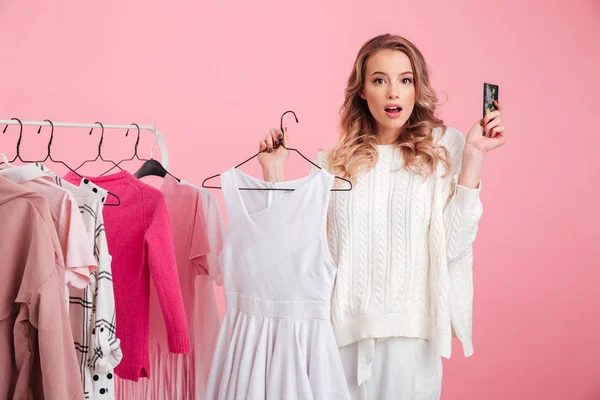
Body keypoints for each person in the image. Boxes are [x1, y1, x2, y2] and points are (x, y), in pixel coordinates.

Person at [257, 33, 506, 399]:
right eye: (379, 80)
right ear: (362, 91)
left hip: (411, 346)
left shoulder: (444, 149)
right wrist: (273, 173)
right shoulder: (331, 163)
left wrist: (473, 158)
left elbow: (453, 246)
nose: (393, 92)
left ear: (416, 88)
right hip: (338, 344)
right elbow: (295, 254)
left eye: (405, 80)